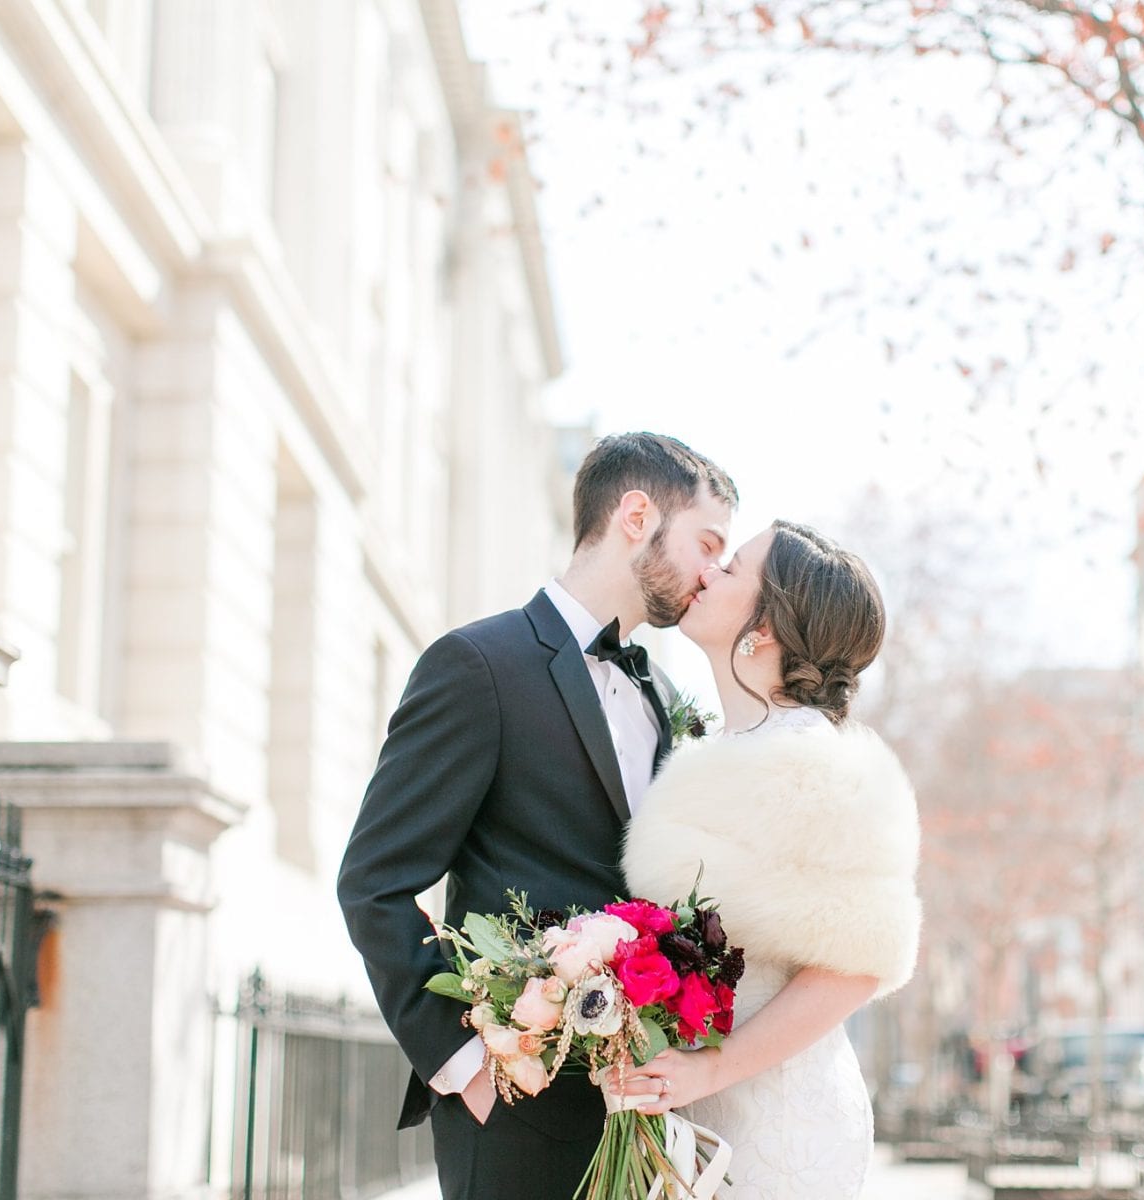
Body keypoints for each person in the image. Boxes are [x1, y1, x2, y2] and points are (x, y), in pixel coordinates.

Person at [336, 433, 737, 1200]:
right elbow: (374, 884)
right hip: (513, 1118)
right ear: (635, 514)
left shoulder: (664, 697)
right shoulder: (478, 666)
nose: (712, 573)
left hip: (635, 1117)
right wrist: (469, 1069)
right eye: (707, 544)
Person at [618, 520, 922, 1199]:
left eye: (731, 570)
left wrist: (709, 1071)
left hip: (781, 1121)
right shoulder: (708, 754)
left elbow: (852, 969)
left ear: (766, 629)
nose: (706, 573)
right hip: (699, 1114)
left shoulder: (822, 766)